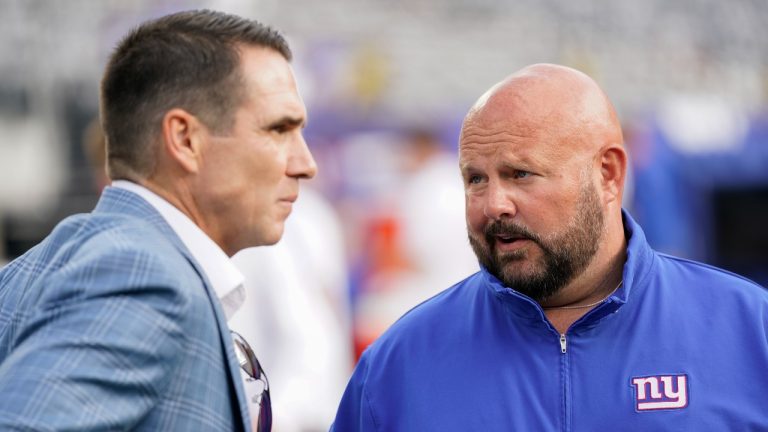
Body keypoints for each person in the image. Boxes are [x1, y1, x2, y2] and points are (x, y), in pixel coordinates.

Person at [331, 64, 768, 430]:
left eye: (520, 174)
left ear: (608, 175)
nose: (494, 204)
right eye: (475, 179)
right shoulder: (399, 364)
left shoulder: (749, 331)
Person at [0, 9, 316, 432]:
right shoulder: (141, 273)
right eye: (279, 129)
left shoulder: (56, 264)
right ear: (185, 140)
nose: (305, 164)